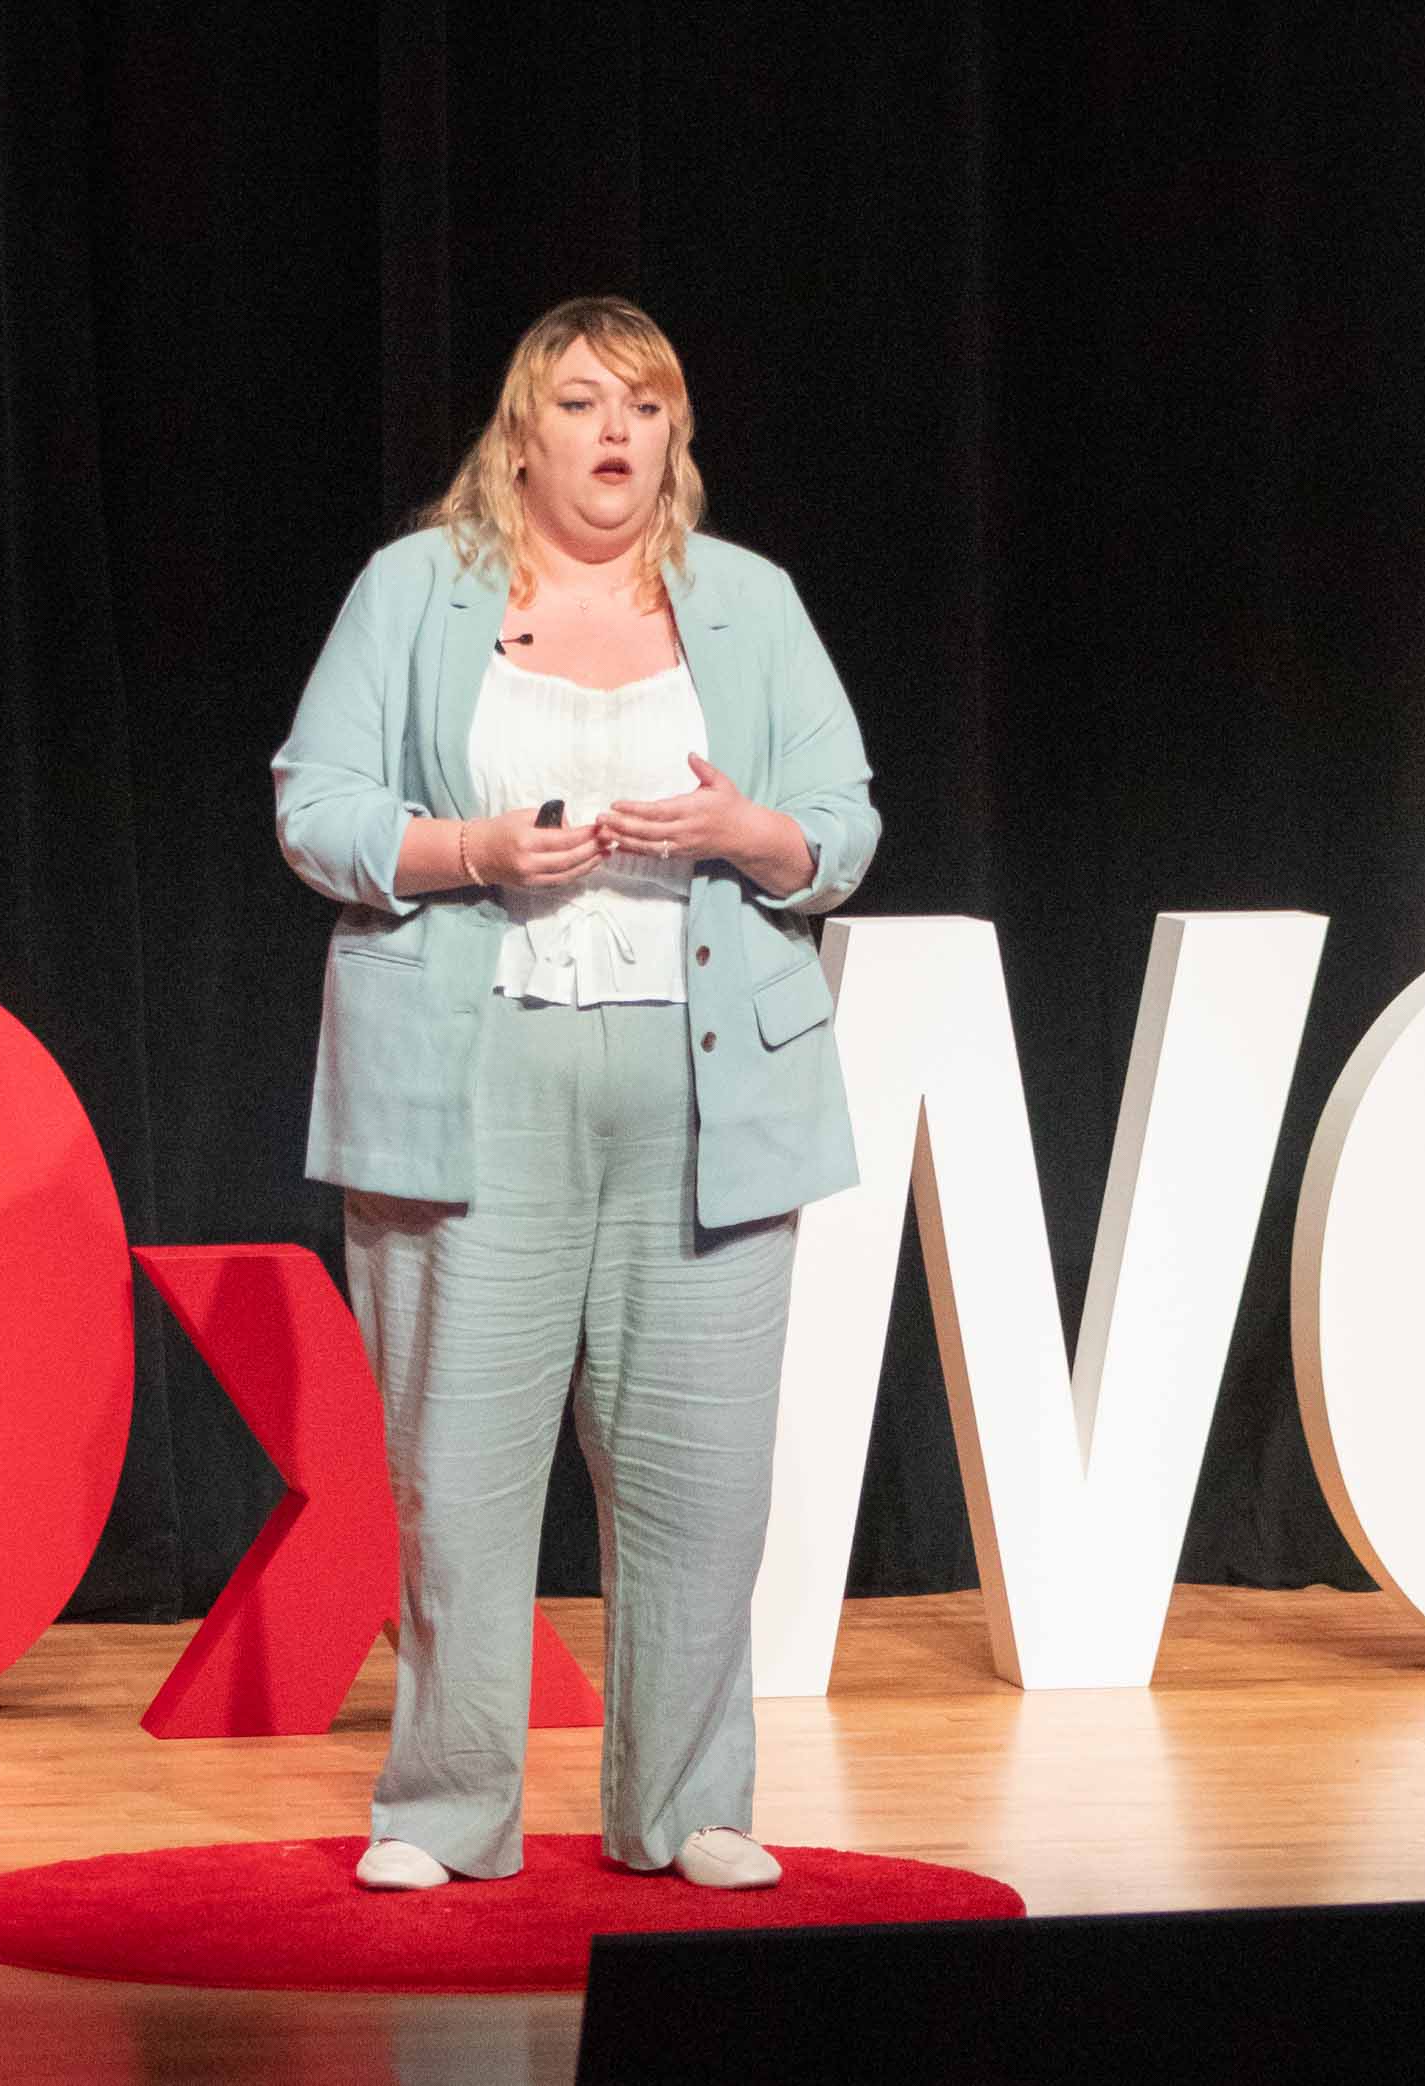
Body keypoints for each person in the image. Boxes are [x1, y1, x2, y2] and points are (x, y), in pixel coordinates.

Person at [272, 295, 877, 1892]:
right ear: (521, 431)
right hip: (475, 1081)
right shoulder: (415, 591)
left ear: (676, 438)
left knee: (701, 1478)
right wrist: (469, 853)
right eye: (586, 402)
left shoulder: (747, 602)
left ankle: (686, 1807)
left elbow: (842, 824)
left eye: (649, 407)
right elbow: (313, 803)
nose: (618, 432)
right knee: (459, 1472)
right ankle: (446, 1810)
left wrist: (745, 833)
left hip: (706, 1094)